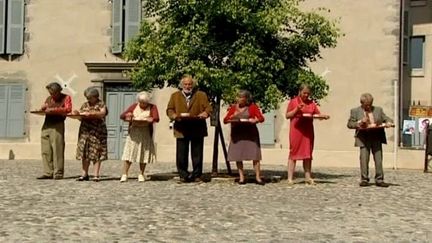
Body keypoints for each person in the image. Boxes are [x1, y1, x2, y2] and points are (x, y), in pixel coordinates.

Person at [166, 75, 212, 183]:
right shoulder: (175, 96)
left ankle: (197, 175)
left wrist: (205, 113)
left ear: (193, 85)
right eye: (185, 84)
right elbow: (169, 109)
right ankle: (183, 175)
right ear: (182, 85)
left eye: (190, 84)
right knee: (181, 153)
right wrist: (173, 116)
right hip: (181, 128)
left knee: (197, 153)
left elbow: (209, 108)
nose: (188, 86)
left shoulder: (201, 95)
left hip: (197, 127)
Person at [285, 84, 329, 185]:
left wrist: (323, 116)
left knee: (307, 154)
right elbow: (288, 115)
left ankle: (308, 177)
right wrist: (296, 109)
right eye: (304, 93)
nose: (306, 95)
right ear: (300, 92)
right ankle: (290, 178)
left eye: (308, 93)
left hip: (308, 131)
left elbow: (316, 114)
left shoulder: (311, 103)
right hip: (296, 130)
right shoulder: (294, 101)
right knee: (293, 153)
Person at [347, 93, 393, 187]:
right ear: (362, 103)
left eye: (370, 104)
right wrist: (359, 123)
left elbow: (386, 118)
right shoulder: (355, 111)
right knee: (364, 159)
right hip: (363, 138)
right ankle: (364, 179)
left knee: (378, 159)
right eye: (366, 104)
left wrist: (388, 122)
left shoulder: (378, 110)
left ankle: (379, 179)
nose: (368, 106)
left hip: (376, 136)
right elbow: (350, 124)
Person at [223, 90, 265, 185]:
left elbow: (261, 118)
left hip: (250, 133)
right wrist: (233, 116)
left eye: (242, 97)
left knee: (255, 155)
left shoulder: (252, 107)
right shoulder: (233, 108)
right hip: (238, 134)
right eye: (238, 97)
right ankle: (241, 177)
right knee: (238, 155)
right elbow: (225, 120)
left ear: (246, 99)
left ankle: (258, 177)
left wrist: (255, 120)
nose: (240, 99)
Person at [119, 91, 159, 182]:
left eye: (144, 102)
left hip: (145, 132)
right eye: (141, 102)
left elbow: (156, 118)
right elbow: (122, 115)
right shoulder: (134, 106)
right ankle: (124, 174)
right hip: (134, 132)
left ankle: (141, 174)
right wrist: (127, 115)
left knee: (143, 153)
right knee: (129, 153)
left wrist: (151, 119)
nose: (143, 104)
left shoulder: (152, 107)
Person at [37, 82, 72, 180]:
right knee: (45, 150)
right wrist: (42, 108)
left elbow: (68, 109)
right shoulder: (49, 98)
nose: (51, 95)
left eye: (53, 93)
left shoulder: (66, 98)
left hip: (57, 124)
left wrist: (53, 110)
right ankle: (48, 172)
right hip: (47, 124)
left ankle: (58, 172)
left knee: (57, 149)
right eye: (50, 93)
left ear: (58, 91)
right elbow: (44, 107)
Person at [74, 87, 108, 182]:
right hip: (85, 130)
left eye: (90, 97)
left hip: (97, 131)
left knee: (96, 152)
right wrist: (77, 114)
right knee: (85, 151)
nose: (88, 100)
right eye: (87, 97)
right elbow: (80, 117)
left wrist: (92, 113)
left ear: (95, 96)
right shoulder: (85, 104)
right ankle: (84, 174)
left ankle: (96, 175)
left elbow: (102, 113)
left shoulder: (101, 104)